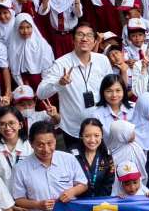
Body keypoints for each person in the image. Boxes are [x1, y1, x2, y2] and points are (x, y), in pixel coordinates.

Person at [36, 22, 112, 151]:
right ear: (73, 40)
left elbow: (110, 88)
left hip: (101, 126)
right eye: (80, 35)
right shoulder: (61, 64)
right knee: (77, 167)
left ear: (94, 41)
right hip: (73, 129)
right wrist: (59, 84)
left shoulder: (102, 60)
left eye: (89, 35)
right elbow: (40, 93)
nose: (84, 38)